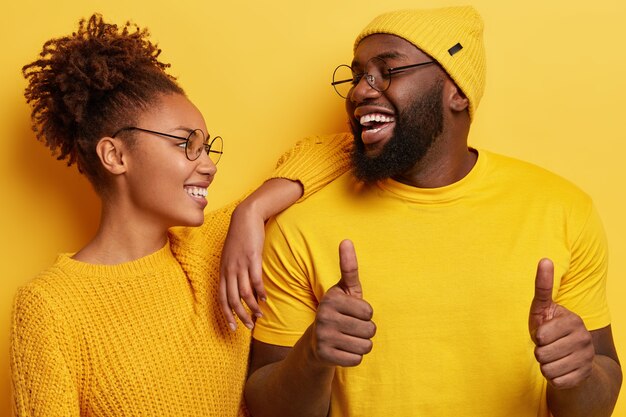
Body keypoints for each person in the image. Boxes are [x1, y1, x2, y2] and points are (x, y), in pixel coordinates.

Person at [244, 6, 622, 417]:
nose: (359, 91)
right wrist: (312, 357)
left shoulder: (562, 209)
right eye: (356, 76)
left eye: (387, 71)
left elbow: (594, 403)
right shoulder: (302, 225)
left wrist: (579, 373)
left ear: (457, 90)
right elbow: (265, 407)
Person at [10, 14, 351, 416]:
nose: (208, 165)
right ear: (115, 155)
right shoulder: (50, 306)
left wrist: (252, 210)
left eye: (207, 148)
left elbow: (341, 147)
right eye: (186, 145)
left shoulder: (212, 252)